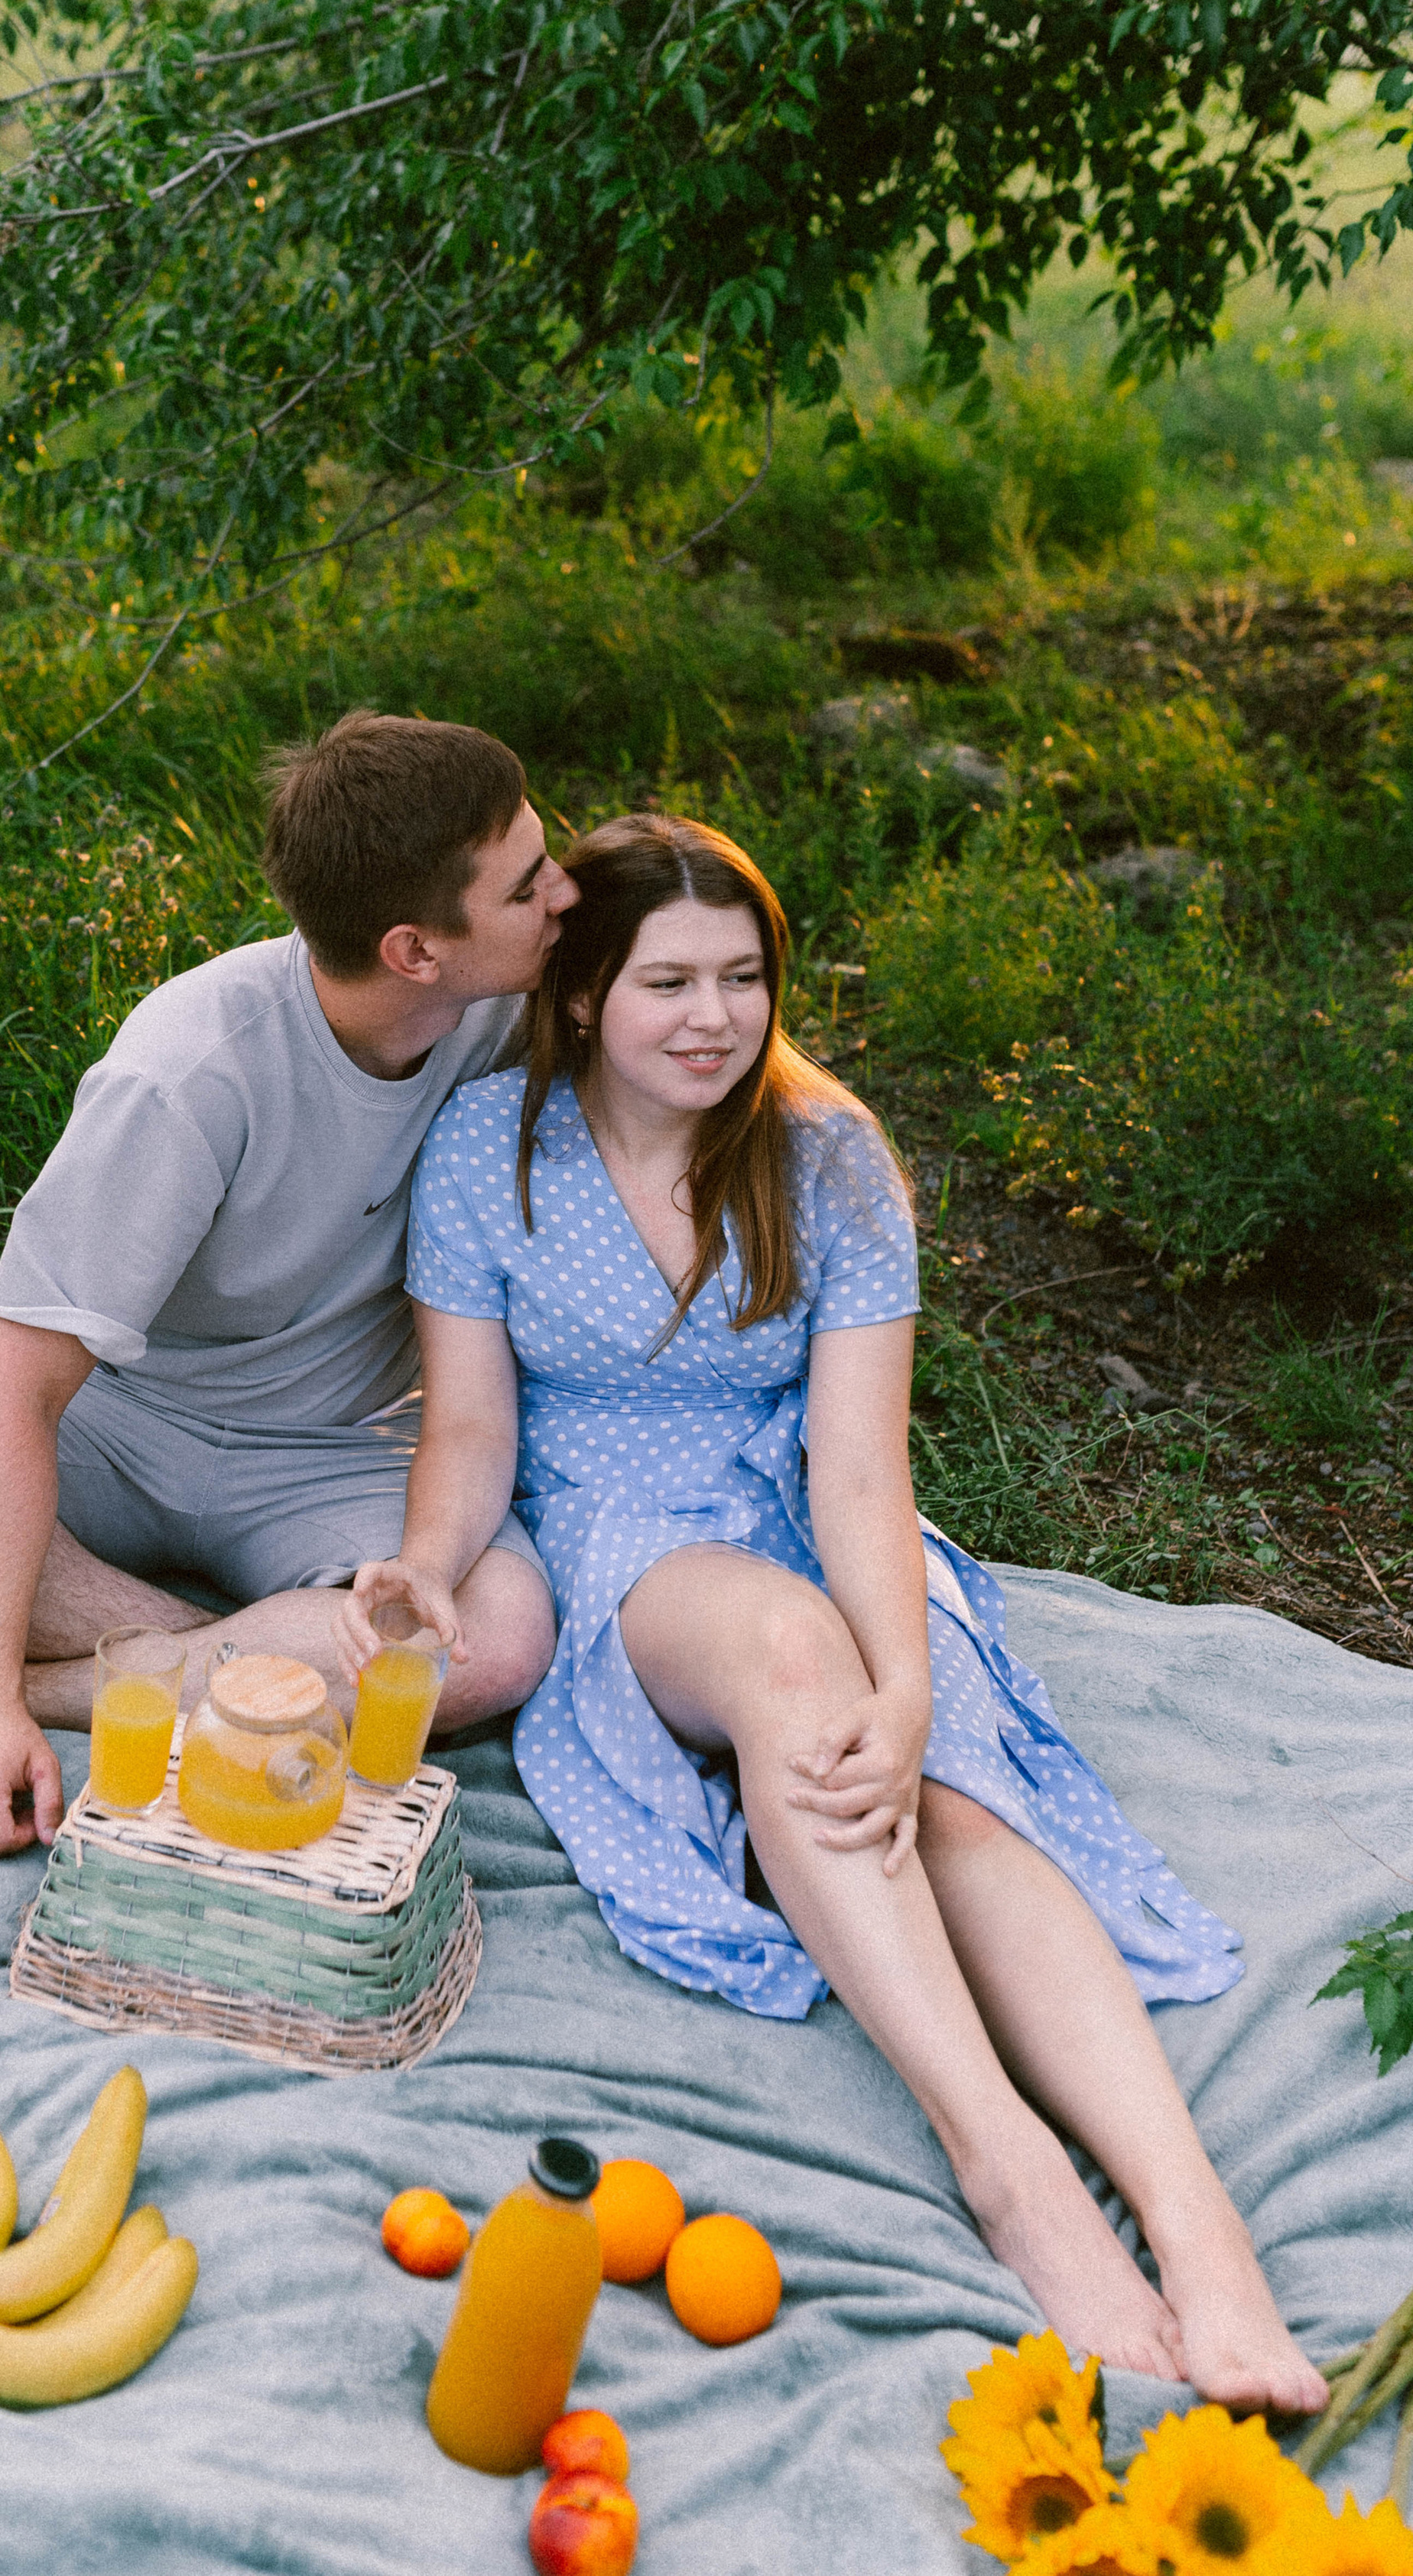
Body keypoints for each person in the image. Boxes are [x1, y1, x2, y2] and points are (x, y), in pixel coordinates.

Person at [337, 810, 1327, 2412]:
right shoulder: (489, 1150)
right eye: (667, 980)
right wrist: (435, 1567)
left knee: (940, 1793)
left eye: (742, 975)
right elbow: (466, 1431)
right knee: (795, 1670)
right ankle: (1004, 2165)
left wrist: (914, 1686)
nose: (712, 1017)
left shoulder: (827, 1157)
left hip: (805, 1512)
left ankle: (1192, 2221)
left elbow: (859, 1469)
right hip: (622, 1535)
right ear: (581, 992)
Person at [0, 713, 567, 1858]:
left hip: (330, 1449)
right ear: (414, 952)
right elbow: (14, 1392)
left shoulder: (519, 1009)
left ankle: (41, 1679)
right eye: (530, 885)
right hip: (118, 1422)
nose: (565, 894)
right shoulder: (190, 1071)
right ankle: (208, 1670)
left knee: (498, 1636)